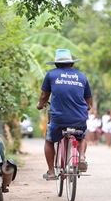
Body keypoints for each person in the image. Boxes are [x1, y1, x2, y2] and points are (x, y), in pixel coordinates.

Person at [37, 49, 92, 180]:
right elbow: (88, 100)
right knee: (82, 136)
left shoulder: (51, 74)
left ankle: (51, 172)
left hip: (59, 119)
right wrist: (87, 107)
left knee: (49, 140)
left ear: (56, 64)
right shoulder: (82, 76)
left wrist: (40, 105)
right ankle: (82, 157)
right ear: (72, 64)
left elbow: (44, 95)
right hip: (79, 118)